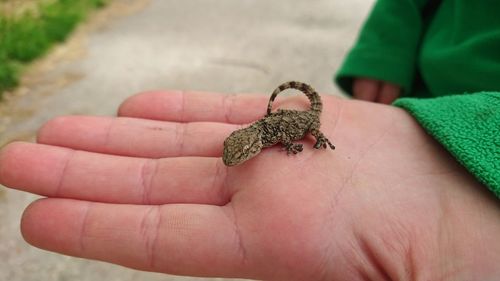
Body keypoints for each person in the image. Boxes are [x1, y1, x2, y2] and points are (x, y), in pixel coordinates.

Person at [1, 2, 499, 281]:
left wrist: (307, 136)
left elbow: (296, 127)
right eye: (234, 152)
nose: (235, 157)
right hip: (420, 87)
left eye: (237, 153)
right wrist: (392, 35)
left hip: (395, 118)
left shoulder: (286, 131)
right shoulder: (253, 137)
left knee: (305, 128)